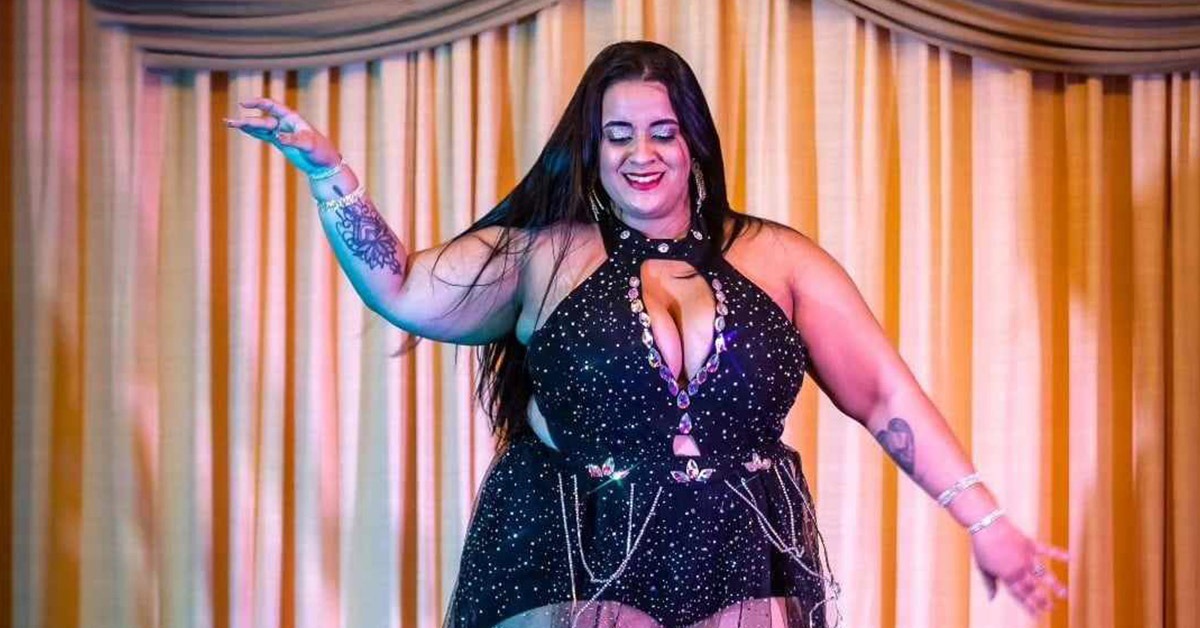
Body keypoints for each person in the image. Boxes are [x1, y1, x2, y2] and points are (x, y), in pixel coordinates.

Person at [226, 40, 1068, 628]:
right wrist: (331, 178)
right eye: (618, 135)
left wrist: (984, 520)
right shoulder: (542, 257)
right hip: (573, 555)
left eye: (663, 132)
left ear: (694, 142)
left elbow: (884, 394)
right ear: (591, 149)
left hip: (738, 555)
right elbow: (403, 287)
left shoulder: (778, 258)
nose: (642, 154)